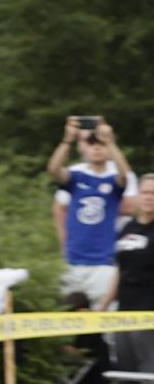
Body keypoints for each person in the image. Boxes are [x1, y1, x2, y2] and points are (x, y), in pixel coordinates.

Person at [49, 116, 140, 308]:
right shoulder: (76, 176)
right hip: (74, 259)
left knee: (104, 317)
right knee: (70, 313)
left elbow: (125, 175)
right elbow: (54, 169)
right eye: (91, 144)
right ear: (84, 149)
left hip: (104, 261)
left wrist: (110, 142)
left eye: (101, 145)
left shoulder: (113, 180)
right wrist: (67, 139)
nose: (97, 148)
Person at [106, 187, 154, 384]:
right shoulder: (128, 227)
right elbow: (119, 269)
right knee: (124, 362)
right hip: (124, 307)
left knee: (148, 363)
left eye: (153, 193)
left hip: (148, 308)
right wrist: (105, 304)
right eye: (145, 192)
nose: (149, 197)